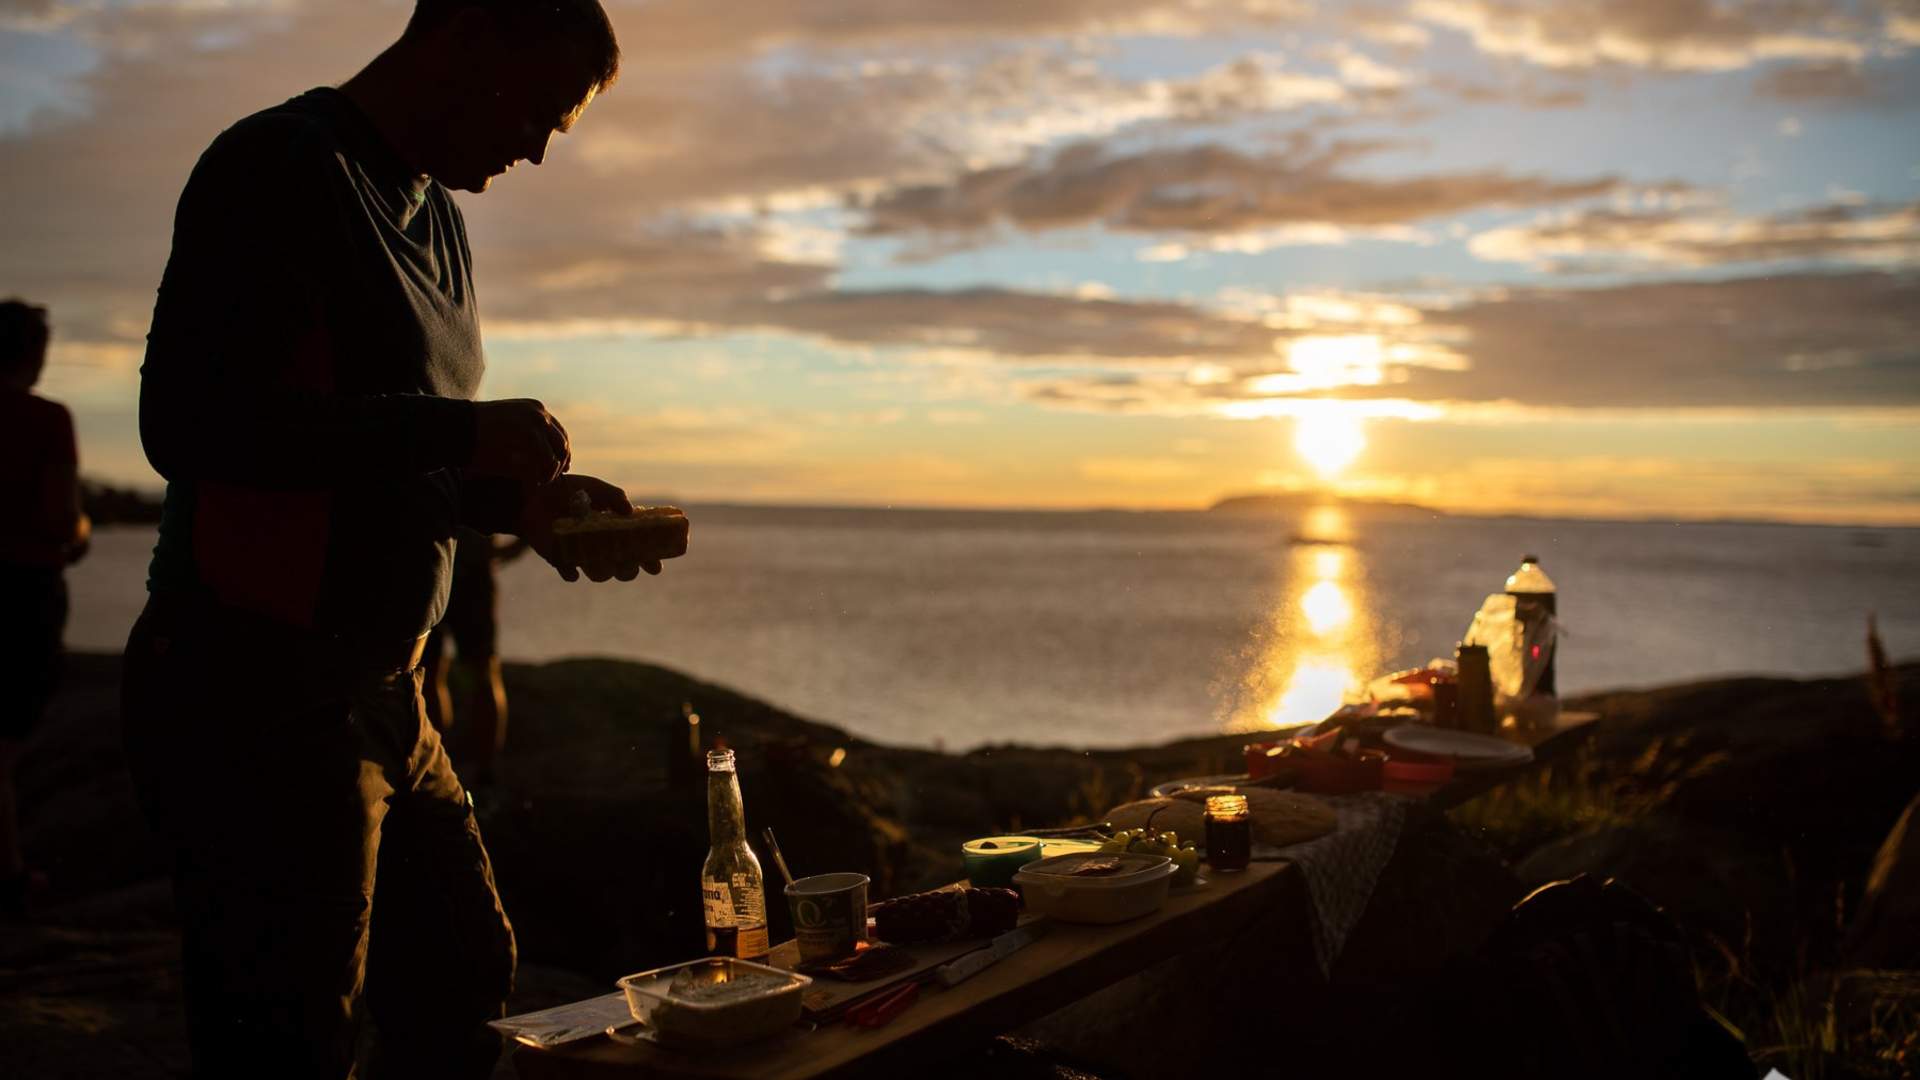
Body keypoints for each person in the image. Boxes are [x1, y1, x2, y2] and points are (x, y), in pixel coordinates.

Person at [120, 2, 653, 1076]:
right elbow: (190, 424)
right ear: (462, 37)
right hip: (259, 686)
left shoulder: (440, 214)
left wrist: (521, 507)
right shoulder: (279, 166)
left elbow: (382, 453)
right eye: (536, 111)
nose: (537, 149)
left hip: (389, 695)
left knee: (462, 979)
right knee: (290, 1039)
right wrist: (458, 430)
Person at [0, 299, 90, 920]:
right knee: (5, 741)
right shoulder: (45, 419)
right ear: (33, 353)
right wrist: (81, 533)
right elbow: (61, 519)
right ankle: (9, 876)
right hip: (22, 591)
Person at [422, 527, 528, 789]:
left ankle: (441, 769)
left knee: (433, 675)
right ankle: (475, 771)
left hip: (435, 569)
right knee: (468, 672)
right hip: (457, 572)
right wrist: (510, 549)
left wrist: (513, 547)